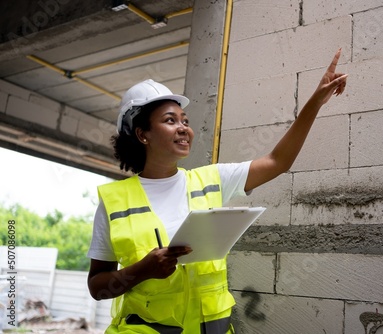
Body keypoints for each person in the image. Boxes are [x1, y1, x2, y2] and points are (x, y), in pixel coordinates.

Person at [87, 48, 348, 334]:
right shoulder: (114, 202)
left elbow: (278, 161)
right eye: (170, 120)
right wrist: (141, 271)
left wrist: (315, 104)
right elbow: (97, 287)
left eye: (185, 120)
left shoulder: (212, 179)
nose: (184, 128)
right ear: (142, 134)